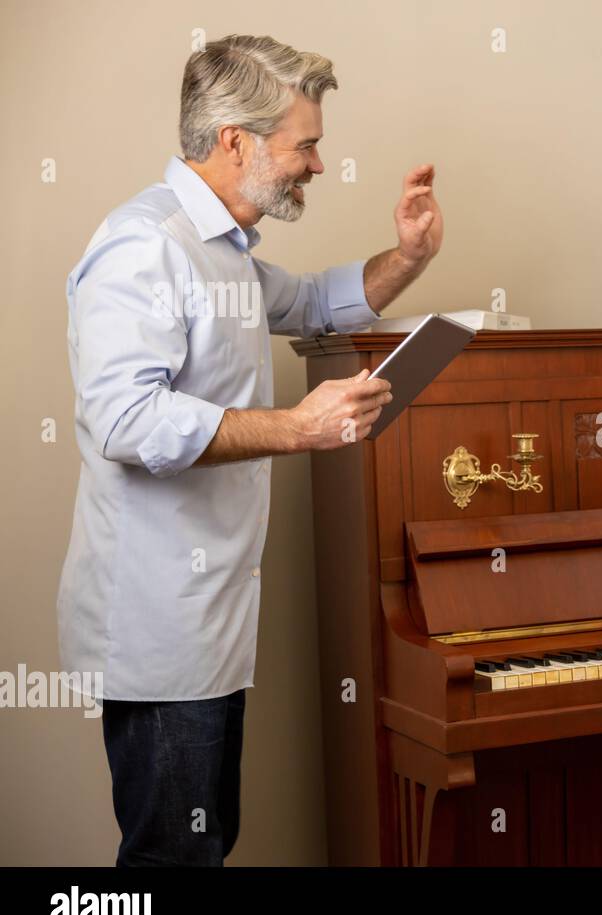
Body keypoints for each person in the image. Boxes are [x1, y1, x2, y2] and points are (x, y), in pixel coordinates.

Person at [56, 34, 443, 865]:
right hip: (160, 631)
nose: (317, 164)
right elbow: (125, 422)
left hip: (212, 623)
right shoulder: (145, 246)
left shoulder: (220, 249)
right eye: (305, 144)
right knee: (173, 860)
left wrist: (408, 259)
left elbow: (315, 303)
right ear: (236, 141)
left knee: (204, 846)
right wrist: (298, 427)